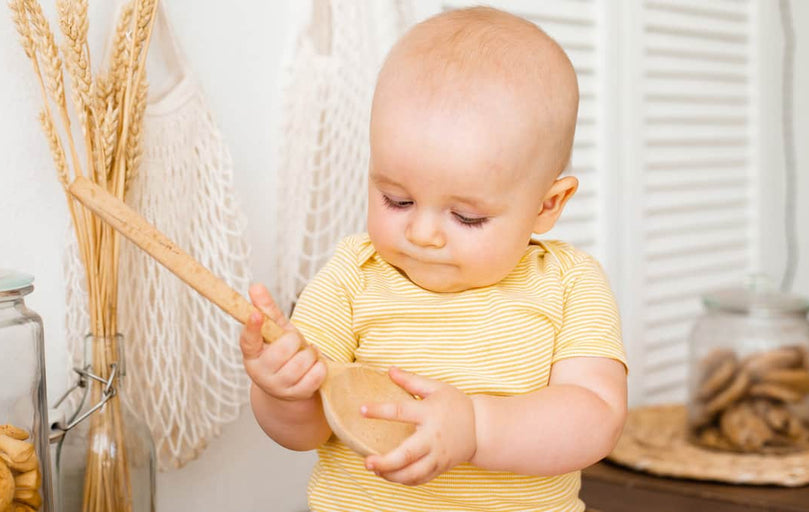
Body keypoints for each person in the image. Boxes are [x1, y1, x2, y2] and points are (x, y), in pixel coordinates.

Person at [239, 6, 627, 511]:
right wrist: (283, 392)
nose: (421, 233)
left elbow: (596, 417)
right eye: (397, 201)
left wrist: (478, 429)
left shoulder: (570, 283)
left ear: (546, 205)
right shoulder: (352, 277)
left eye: (466, 216)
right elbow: (309, 428)